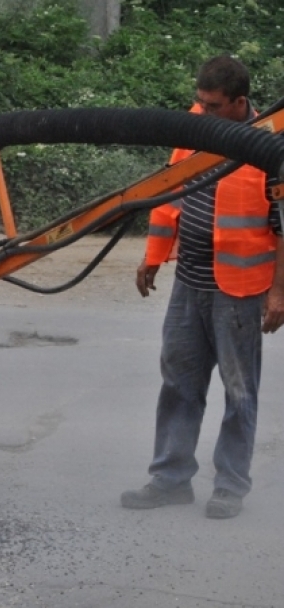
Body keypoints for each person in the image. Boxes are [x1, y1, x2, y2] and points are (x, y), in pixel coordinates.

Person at [121, 55, 284, 519]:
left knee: (239, 389)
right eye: (200, 103)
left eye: (213, 106)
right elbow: (168, 192)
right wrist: (154, 256)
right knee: (178, 382)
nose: (203, 113)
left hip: (240, 288)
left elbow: (283, 226)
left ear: (240, 103)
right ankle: (170, 479)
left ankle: (230, 486)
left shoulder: (270, 147)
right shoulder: (194, 130)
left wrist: (278, 292)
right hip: (189, 281)